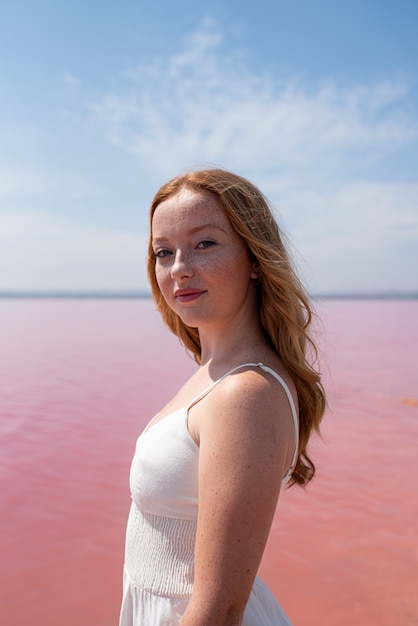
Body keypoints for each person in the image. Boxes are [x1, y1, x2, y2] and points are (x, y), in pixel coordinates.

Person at [119, 168, 326, 625]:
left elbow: (221, 608)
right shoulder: (214, 373)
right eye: (163, 251)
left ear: (255, 258)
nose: (179, 268)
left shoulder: (244, 393)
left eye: (205, 244)